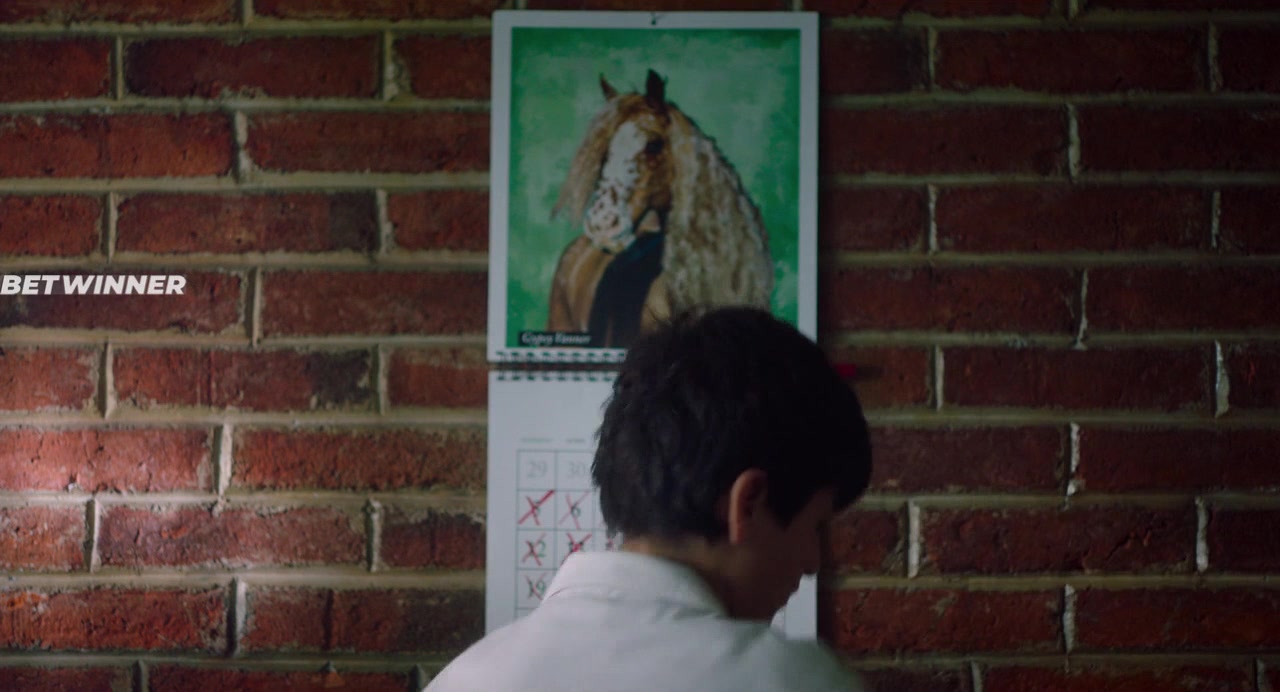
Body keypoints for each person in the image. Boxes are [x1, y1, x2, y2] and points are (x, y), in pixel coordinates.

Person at [427, 306, 872, 691]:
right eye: (816, 526)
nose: (813, 562)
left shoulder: (464, 678)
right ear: (748, 504)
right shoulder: (792, 680)